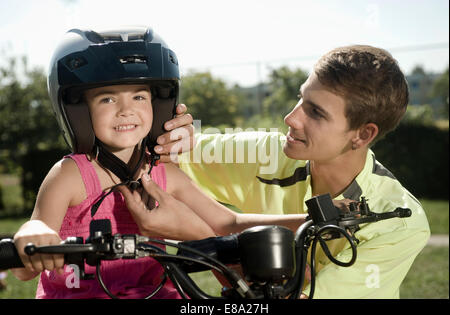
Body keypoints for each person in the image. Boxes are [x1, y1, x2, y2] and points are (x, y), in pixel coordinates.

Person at [11, 26, 304, 299]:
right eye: (107, 99)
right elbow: (24, 266)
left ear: (159, 106)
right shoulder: (71, 174)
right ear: (78, 112)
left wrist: (308, 221)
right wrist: (30, 234)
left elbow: (228, 222)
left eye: (139, 96)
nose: (127, 110)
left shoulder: (164, 174)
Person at [169, 45, 430, 298]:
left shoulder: (399, 222)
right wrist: (166, 130)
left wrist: (201, 237)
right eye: (301, 98)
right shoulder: (267, 153)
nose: (291, 119)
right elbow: (164, 155)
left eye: (316, 112)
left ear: (362, 134)